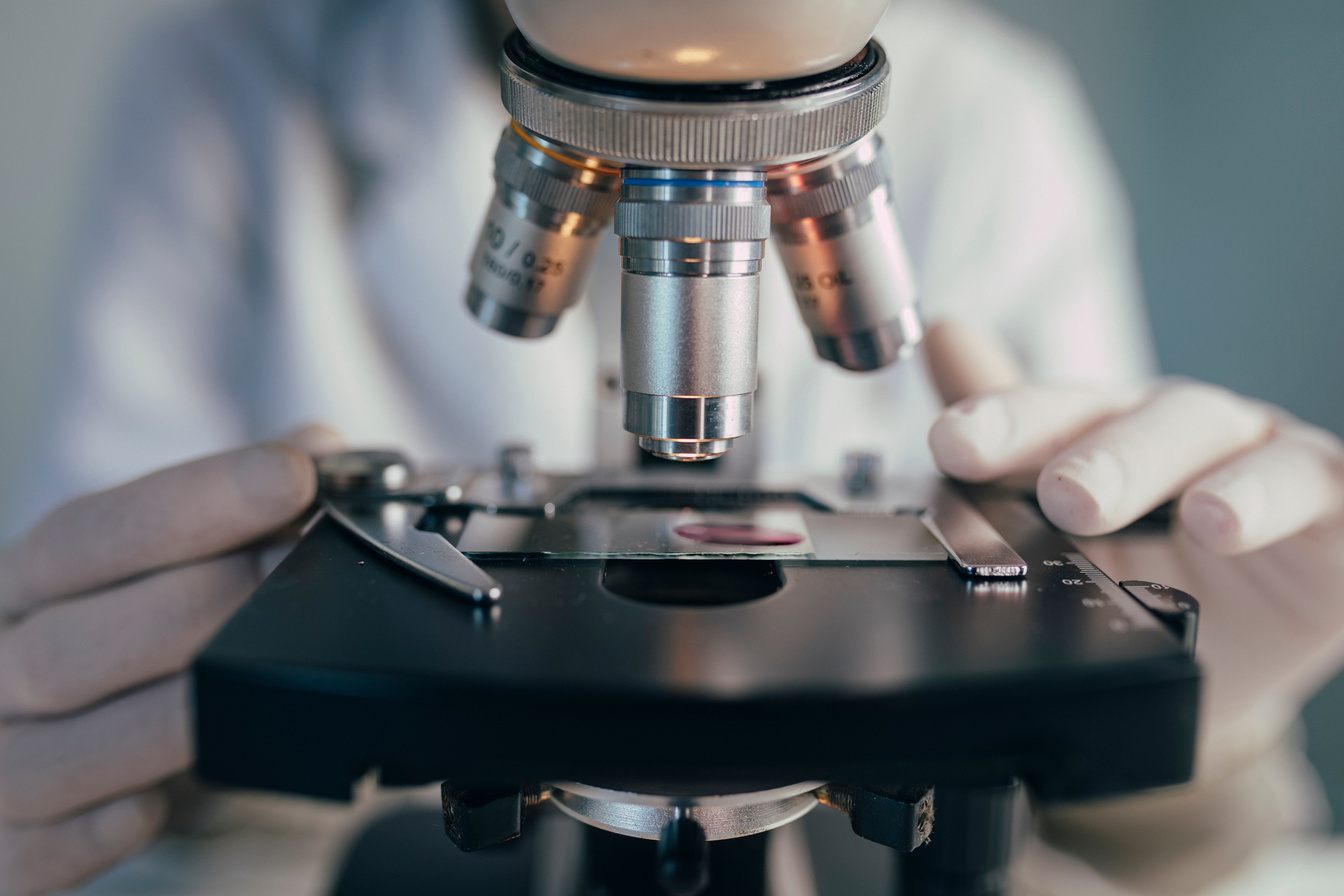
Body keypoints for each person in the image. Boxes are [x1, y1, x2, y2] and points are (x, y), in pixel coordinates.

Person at [2, 0, 1343, 893]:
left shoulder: (990, 121)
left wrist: (1202, 763)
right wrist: (106, 766)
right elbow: (120, 753)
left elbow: (1137, 835)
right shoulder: (229, 86)